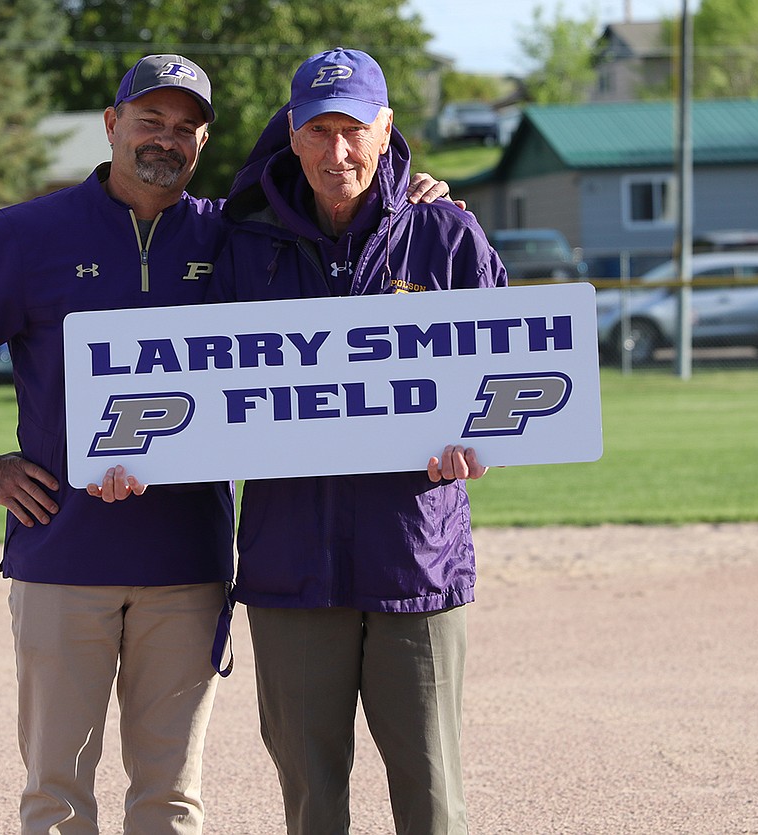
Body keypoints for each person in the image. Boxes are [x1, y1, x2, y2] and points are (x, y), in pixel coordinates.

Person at [0, 52, 450, 835]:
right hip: (63, 551)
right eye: (150, 120)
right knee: (56, 795)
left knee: (171, 797)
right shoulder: (30, 233)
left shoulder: (234, 235)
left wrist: (413, 197)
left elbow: (338, 247)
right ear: (113, 125)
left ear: (203, 142)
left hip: (187, 562)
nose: (167, 138)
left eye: (186, 127)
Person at [205, 48, 508, 835]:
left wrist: (478, 440)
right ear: (294, 134)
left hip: (416, 554)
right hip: (291, 564)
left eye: (353, 130)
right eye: (319, 131)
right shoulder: (242, 243)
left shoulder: (446, 236)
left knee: (432, 793)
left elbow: (509, 385)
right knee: (311, 799)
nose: (337, 152)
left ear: (385, 128)